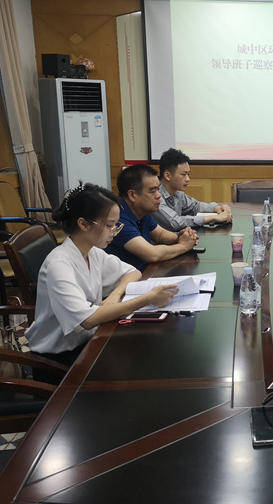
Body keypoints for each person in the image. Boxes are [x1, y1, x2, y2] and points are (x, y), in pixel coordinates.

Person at [26, 183, 179, 379]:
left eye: (116, 225)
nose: (114, 231)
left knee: (147, 353)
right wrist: (147, 299)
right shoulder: (59, 264)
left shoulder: (93, 252)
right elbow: (88, 320)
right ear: (83, 224)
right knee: (139, 367)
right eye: (108, 225)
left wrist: (115, 296)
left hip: (87, 342)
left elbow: (132, 273)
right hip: (58, 361)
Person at [105, 164, 199, 271]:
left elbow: (160, 235)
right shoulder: (117, 219)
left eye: (158, 190)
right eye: (153, 191)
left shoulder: (141, 211)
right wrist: (184, 246)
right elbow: (152, 254)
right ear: (132, 195)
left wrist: (182, 237)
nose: (159, 195)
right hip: (127, 279)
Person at [154, 148, 232, 231]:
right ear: (167, 176)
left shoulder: (177, 192)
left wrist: (216, 208)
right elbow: (175, 222)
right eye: (183, 174)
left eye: (188, 174)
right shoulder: (155, 196)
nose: (188, 179)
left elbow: (195, 206)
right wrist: (213, 218)